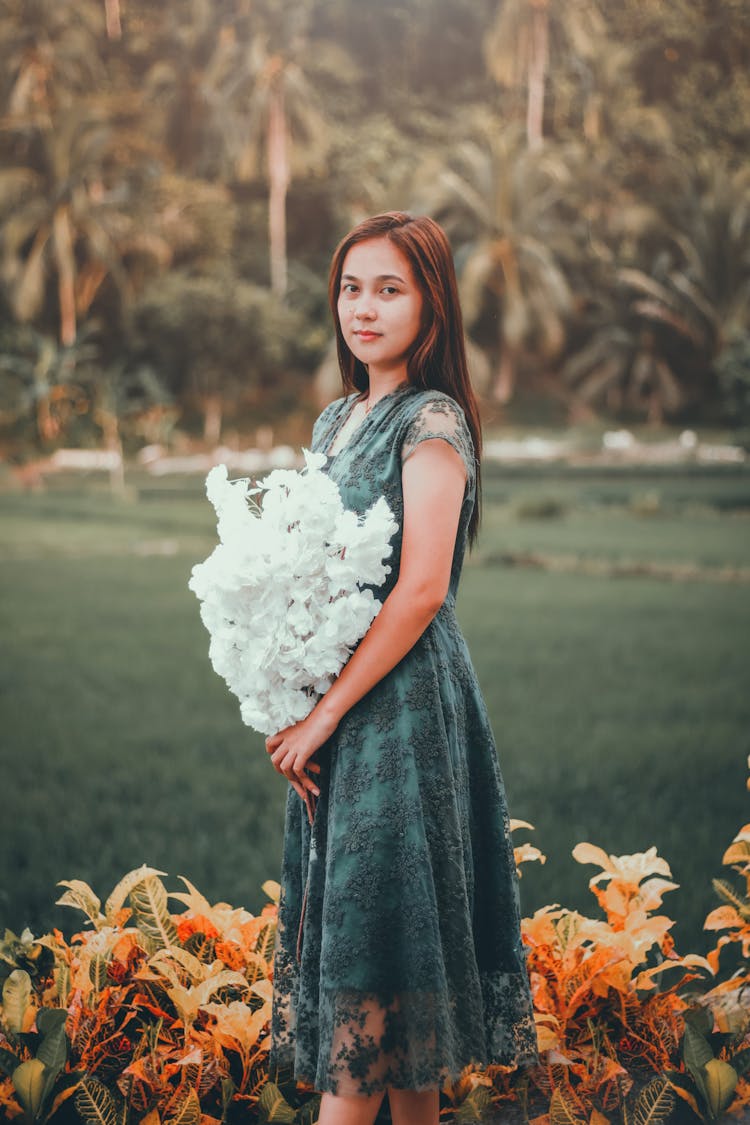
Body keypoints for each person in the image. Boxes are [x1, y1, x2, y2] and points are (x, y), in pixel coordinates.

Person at [265, 212, 537, 1125]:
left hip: (402, 714)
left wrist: (323, 715)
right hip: (342, 715)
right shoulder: (338, 419)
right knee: (404, 1046)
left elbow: (420, 587)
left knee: (371, 1003)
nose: (365, 308)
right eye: (351, 288)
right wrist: (288, 689)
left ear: (431, 304)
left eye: (390, 288)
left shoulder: (431, 419)